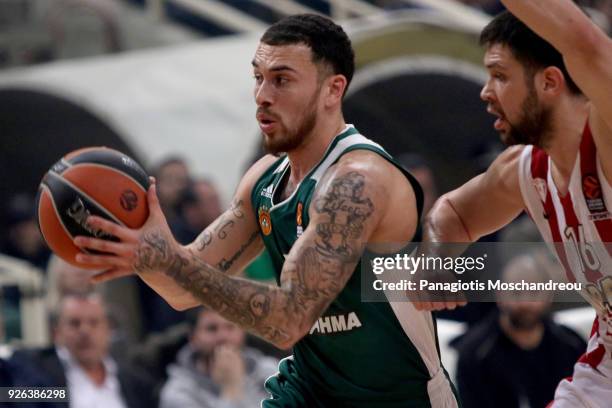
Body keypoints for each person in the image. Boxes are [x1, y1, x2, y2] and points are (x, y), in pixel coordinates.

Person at [72, 14, 459, 407]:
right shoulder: (263, 181)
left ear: (333, 90)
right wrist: (138, 247)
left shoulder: (359, 181)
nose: (262, 95)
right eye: (258, 77)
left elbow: (287, 320)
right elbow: (182, 290)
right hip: (308, 392)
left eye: (282, 79)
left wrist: (171, 261)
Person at [421, 1, 612, 406]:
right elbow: (452, 213)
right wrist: (437, 259)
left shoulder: (607, 135)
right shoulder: (525, 171)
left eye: (500, 76)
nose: (485, 92)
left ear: (550, 82)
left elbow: (586, 43)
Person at [454, 254, 586, 408]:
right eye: (516, 292)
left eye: (534, 293)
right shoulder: (474, 354)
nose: (525, 303)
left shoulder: (572, 345)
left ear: (548, 295)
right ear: (500, 294)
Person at [10, 293, 157, 408]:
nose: (85, 331)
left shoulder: (134, 380)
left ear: (109, 330)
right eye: (75, 323)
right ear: (57, 332)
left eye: (94, 323)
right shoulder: (37, 370)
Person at [160, 308, 277, 408]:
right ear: (192, 337)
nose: (223, 336)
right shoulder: (178, 394)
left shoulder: (272, 372)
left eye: (230, 327)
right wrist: (231, 389)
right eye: (212, 328)